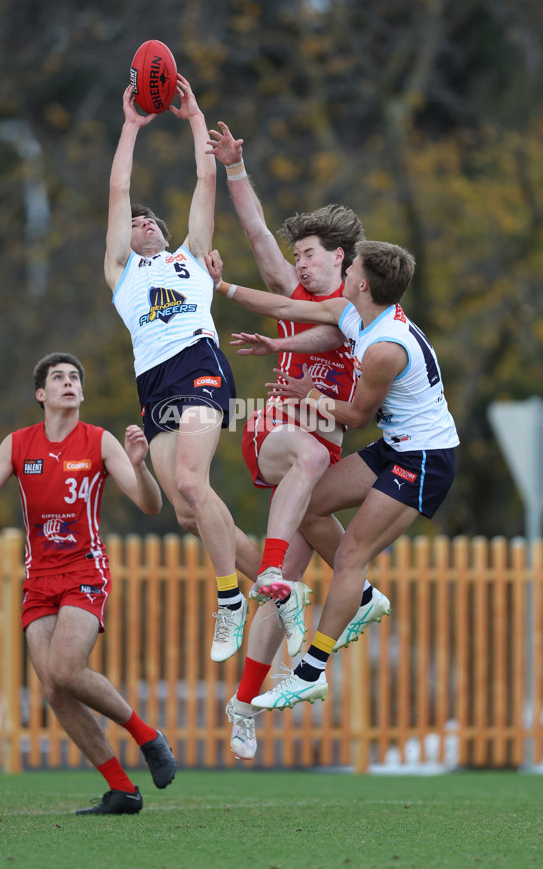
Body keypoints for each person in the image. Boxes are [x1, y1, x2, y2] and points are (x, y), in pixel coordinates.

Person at [206, 240, 459, 711]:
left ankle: (310, 671)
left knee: (349, 557)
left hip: (425, 459)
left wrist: (308, 394)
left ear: (362, 283)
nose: (345, 267)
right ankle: (360, 598)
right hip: (396, 448)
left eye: (352, 264)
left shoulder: (386, 347)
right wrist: (221, 286)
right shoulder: (355, 311)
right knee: (306, 504)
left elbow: (358, 416)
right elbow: (283, 304)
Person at [207, 124, 390, 758]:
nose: (301, 261)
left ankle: (243, 702)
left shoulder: (359, 310)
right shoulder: (292, 294)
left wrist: (281, 345)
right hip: (277, 429)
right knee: (310, 457)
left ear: (342, 258)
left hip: (321, 449)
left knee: (283, 574)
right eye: (300, 254)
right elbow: (258, 231)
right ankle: (309, 585)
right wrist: (235, 169)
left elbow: (332, 339)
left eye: (310, 252)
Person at [0, 352, 176, 815]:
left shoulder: (98, 441)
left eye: (74, 377)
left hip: (85, 570)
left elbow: (151, 506)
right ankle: (121, 790)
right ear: (41, 394)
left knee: (66, 669)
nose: (68, 382)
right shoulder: (18, 444)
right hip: (39, 578)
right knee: (54, 689)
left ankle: (146, 735)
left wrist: (140, 466)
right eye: (58, 377)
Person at [104, 77, 249, 662]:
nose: (141, 223)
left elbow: (206, 177)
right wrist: (131, 127)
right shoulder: (121, 275)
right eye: (133, 223)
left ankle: (230, 601)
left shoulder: (190, 256)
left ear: (164, 233)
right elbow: (118, 188)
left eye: (149, 222)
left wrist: (193, 118)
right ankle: (277, 581)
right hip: (154, 381)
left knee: (191, 481)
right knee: (191, 513)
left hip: (198, 362)